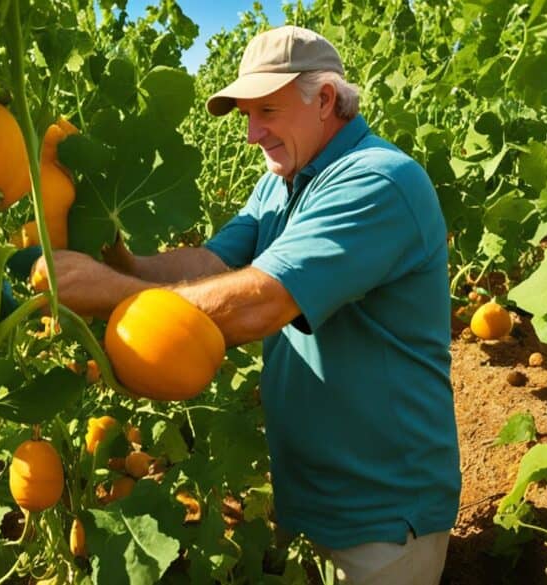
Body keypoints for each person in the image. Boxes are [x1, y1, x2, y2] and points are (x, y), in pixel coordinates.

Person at [34, 25, 461, 584]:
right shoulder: (283, 182)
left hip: (383, 507)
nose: (253, 133)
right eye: (246, 115)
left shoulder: (377, 181)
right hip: (317, 491)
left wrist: (108, 292)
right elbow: (209, 266)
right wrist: (119, 261)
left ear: (326, 99)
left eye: (268, 110)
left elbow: (257, 304)